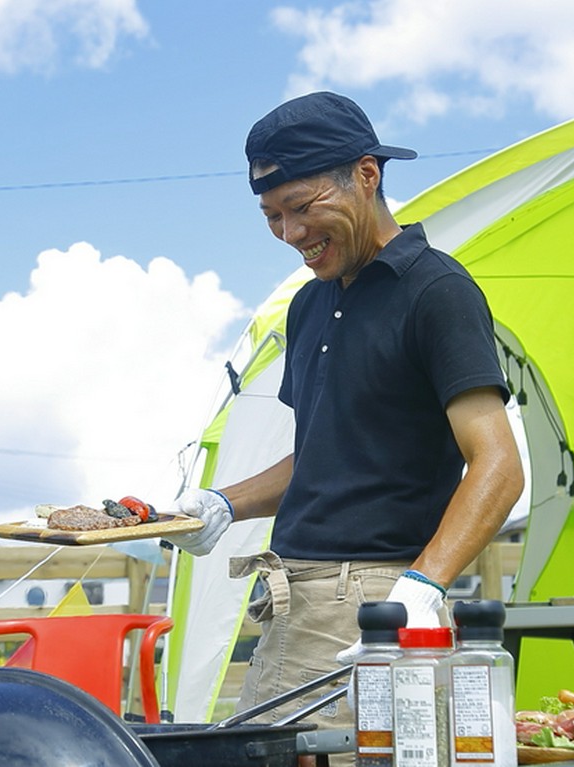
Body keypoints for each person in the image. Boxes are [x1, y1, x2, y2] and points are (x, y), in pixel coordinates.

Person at [166, 91, 524, 749]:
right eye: (272, 216)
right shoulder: (307, 306)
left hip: (374, 599)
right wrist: (220, 503)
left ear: (366, 174)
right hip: (292, 595)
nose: (291, 233)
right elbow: (322, 453)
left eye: (302, 208)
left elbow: (499, 464)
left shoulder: (435, 289)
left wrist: (418, 589)